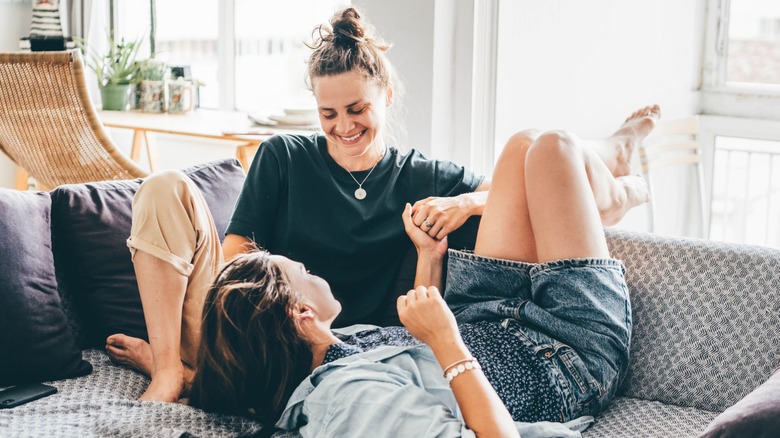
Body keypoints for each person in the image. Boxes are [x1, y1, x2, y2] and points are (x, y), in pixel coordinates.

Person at [188, 105, 660, 436]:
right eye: (301, 269)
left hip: (487, 317)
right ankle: (616, 192)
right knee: (554, 148)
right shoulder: (353, 401)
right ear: (300, 313)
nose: (310, 267)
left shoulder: (331, 347)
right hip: (566, 357)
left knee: (524, 146)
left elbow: (417, 350)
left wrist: (429, 258)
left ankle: (610, 169)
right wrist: (448, 343)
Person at [105, 6, 489, 403]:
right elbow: (234, 269)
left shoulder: (419, 175)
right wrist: (276, 308)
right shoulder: (284, 155)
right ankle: (169, 371)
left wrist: (465, 202)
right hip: (257, 327)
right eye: (329, 113)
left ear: (387, 96)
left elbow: (505, 190)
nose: (344, 126)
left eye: (357, 109)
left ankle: (197, 376)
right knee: (164, 185)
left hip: (329, 355)